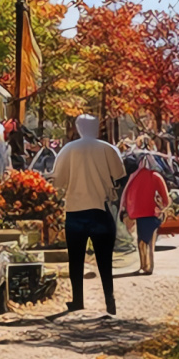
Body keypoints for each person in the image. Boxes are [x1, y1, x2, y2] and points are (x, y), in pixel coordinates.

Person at [51, 114, 126, 316]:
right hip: (100, 208)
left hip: (75, 210)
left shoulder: (68, 150)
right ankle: (110, 300)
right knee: (104, 259)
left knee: (76, 259)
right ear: (96, 128)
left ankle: (77, 300)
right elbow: (119, 176)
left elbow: (57, 181)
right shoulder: (108, 149)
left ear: (78, 128)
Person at [121, 153, 171, 275]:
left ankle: (143, 265)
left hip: (139, 214)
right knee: (150, 241)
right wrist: (162, 208)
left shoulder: (134, 178)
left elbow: (128, 197)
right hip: (153, 213)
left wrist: (129, 212)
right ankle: (150, 266)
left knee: (141, 240)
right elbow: (166, 199)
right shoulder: (156, 176)